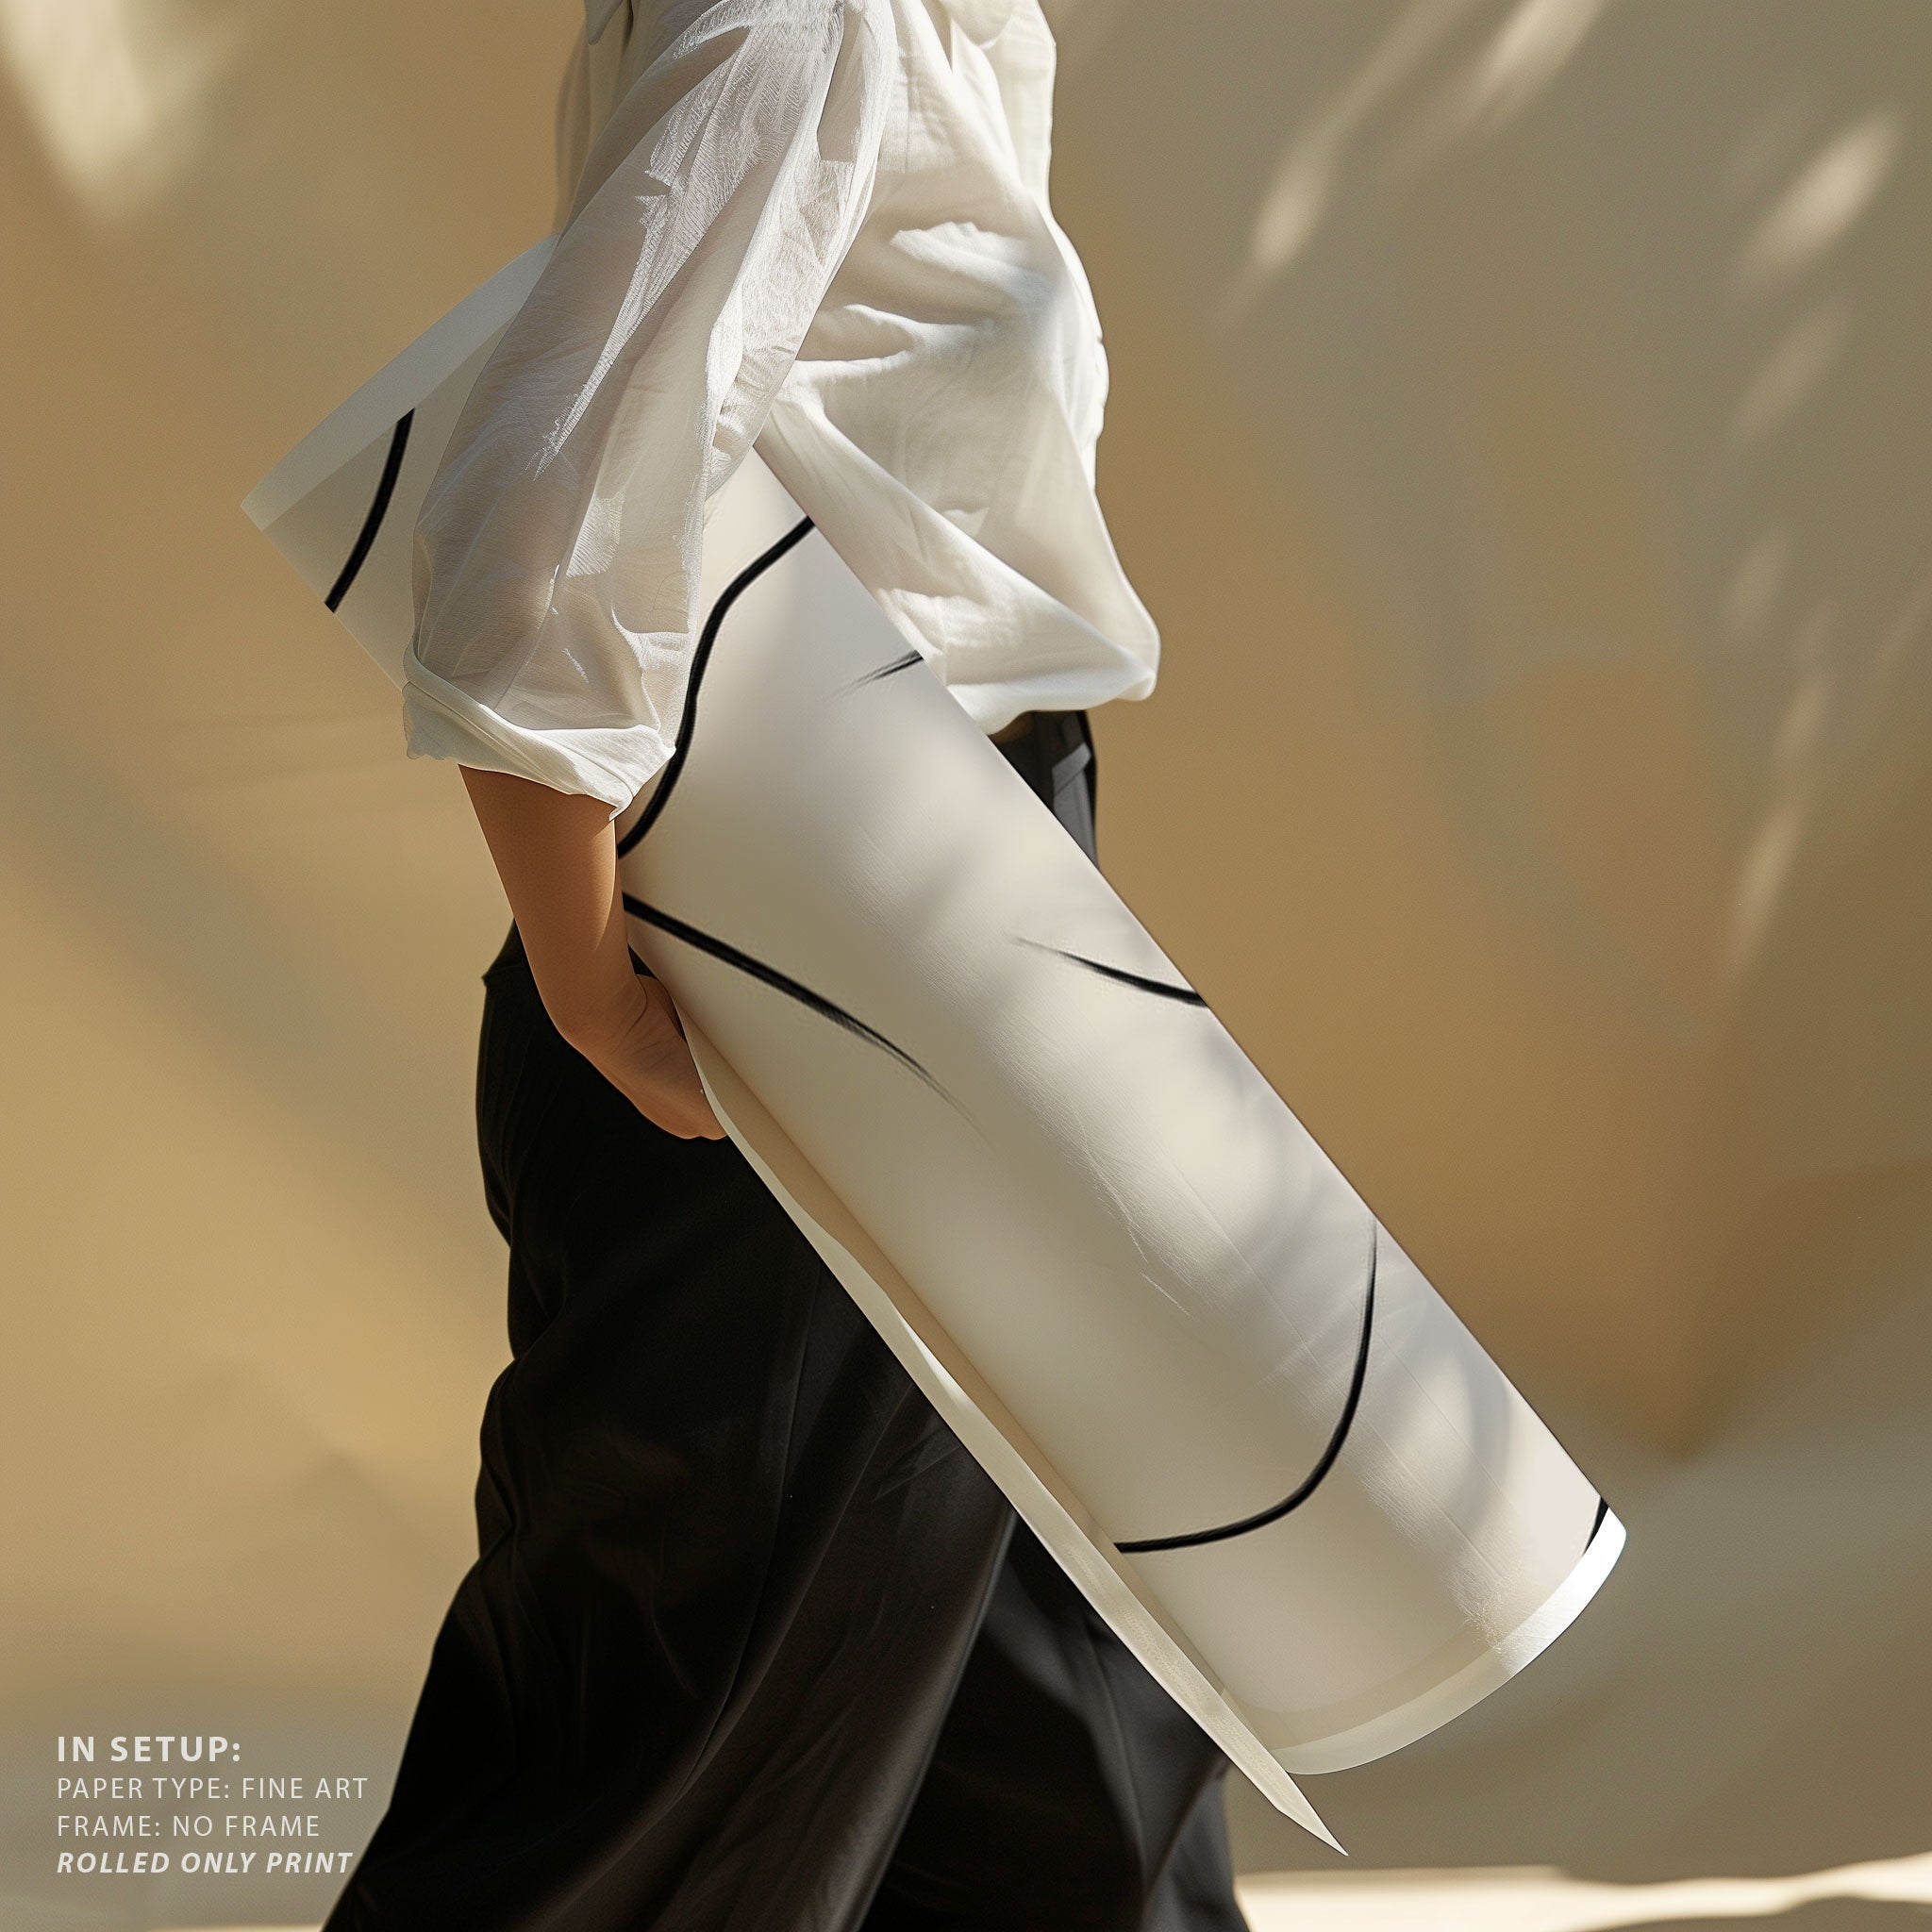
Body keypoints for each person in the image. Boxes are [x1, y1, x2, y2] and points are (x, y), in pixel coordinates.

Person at [322, 3, 1245, 1926]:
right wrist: (592, 987)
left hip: (970, 900)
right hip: (807, 937)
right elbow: (544, 508)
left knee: (1076, 1740)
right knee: (649, 1766)